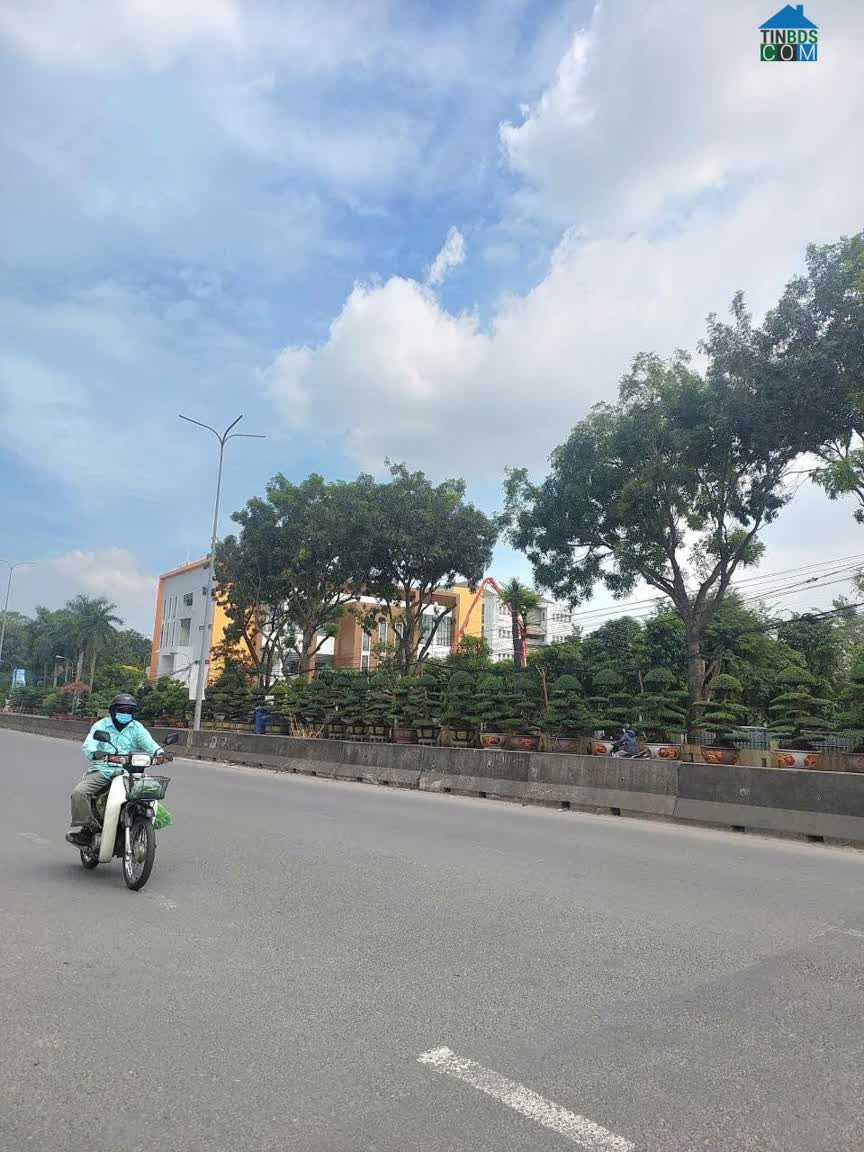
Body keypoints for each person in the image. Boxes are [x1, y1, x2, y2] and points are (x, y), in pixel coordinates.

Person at [65, 694, 167, 847]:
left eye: (129, 711)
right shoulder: (101, 726)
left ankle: (140, 825)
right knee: (79, 793)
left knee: (149, 792)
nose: (125, 714)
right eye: (122, 710)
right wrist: (97, 753)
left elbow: (150, 744)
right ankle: (87, 829)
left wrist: (161, 754)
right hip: (103, 771)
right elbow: (89, 746)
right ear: (113, 711)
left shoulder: (136, 727)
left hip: (128, 772)